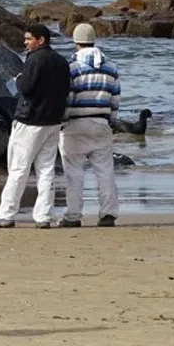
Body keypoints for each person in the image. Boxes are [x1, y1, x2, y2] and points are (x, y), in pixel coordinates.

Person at [0, 23, 71, 228]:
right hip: (53, 121)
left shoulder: (35, 59)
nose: (25, 43)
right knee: (46, 170)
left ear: (41, 40)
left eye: (28, 39)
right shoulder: (61, 61)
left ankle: (7, 214)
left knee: (18, 168)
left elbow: (26, 88)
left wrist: (18, 80)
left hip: (30, 121)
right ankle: (43, 216)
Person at [58, 23, 121, 228]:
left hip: (76, 123)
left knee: (74, 172)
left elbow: (67, 97)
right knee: (105, 171)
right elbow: (115, 99)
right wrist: (111, 120)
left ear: (75, 41)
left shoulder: (72, 67)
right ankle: (108, 214)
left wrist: (63, 120)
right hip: (101, 122)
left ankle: (73, 215)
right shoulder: (111, 67)